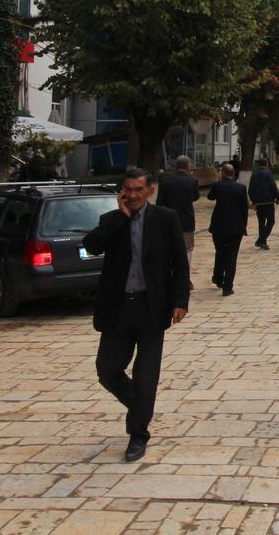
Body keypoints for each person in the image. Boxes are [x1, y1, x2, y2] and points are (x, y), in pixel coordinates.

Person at [87, 166, 189, 462]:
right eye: (127, 189)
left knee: (146, 376)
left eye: (137, 190)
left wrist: (180, 300)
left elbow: (179, 263)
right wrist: (121, 216)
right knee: (107, 369)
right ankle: (140, 405)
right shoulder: (112, 220)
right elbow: (91, 246)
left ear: (150, 191)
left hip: (151, 307)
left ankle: (138, 434)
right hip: (118, 309)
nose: (132, 195)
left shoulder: (165, 219)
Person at [155, 156, 200, 284]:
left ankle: (170, 275)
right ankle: (184, 278)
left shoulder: (165, 180)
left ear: (176, 166)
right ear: (188, 167)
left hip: (168, 219)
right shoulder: (193, 181)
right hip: (187, 219)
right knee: (187, 249)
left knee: (169, 248)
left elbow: (160, 202)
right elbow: (195, 197)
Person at [207, 164, 248, 296]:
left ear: (223, 173)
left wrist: (218, 181)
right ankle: (228, 286)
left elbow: (210, 197)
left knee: (220, 252)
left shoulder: (218, 186)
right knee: (232, 256)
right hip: (236, 226)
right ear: (234, 173)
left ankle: (218, 277)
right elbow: (244, 209)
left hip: (219, 225)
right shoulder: (241, 187)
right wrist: (244, 226)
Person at [247, 158, 279, 250]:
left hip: (258, 203)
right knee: (271, 221)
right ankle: (261, 240)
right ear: (267, 164)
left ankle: (263, 243)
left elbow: (250, 190)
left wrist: (254, 202)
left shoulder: (254, 174)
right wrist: (277, 197)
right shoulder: (268, 174)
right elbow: (273, 187)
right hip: (268, 202)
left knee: (261, 223)